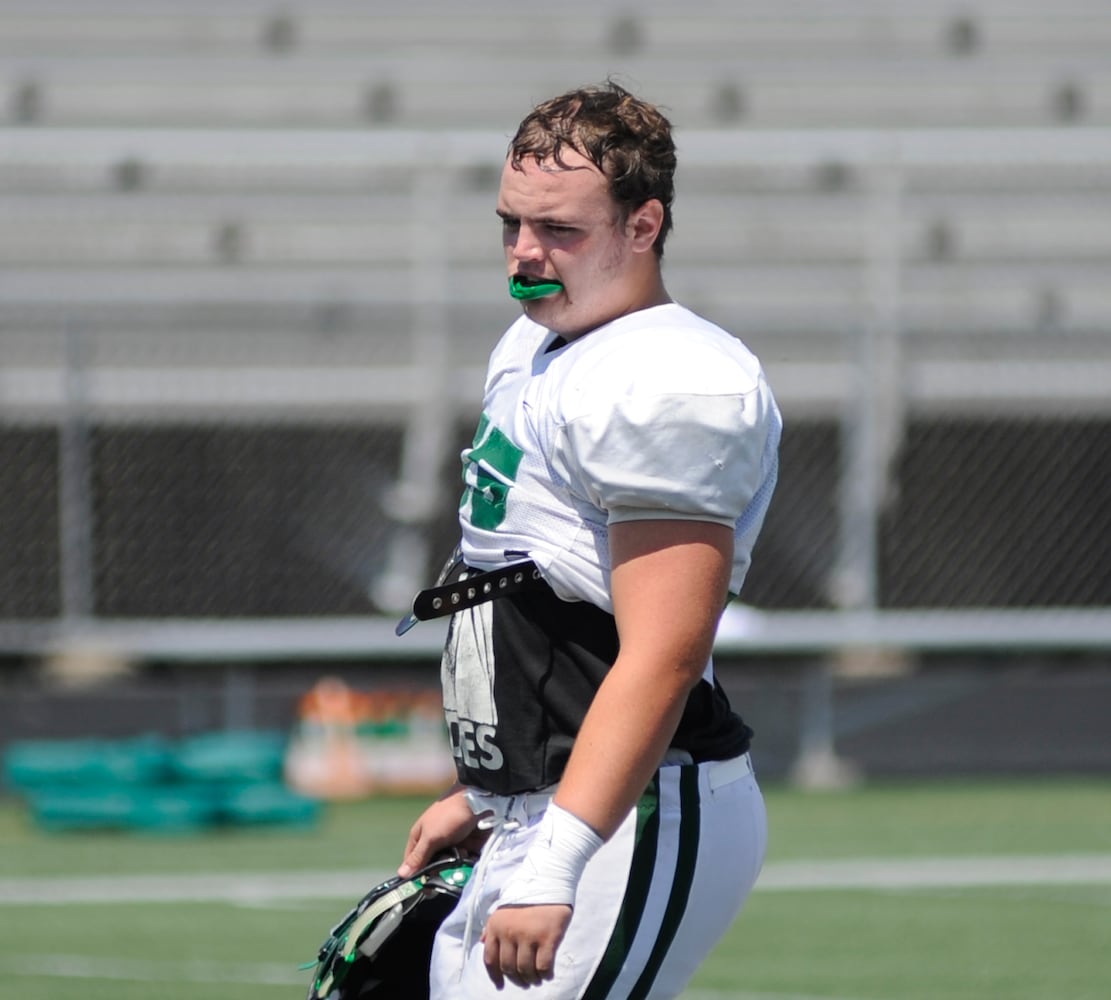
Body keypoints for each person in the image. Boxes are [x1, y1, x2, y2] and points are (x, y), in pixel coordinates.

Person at [396, 80, 782, 999]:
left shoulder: (670, 379)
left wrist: (556, 859)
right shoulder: (533, 345)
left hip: (634, 816)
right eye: (510, 225)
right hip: (549, 801)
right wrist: (492, 793)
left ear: (642, 226)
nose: (525, 255)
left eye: (559, 231)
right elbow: (524, 592)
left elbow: (663, 651)